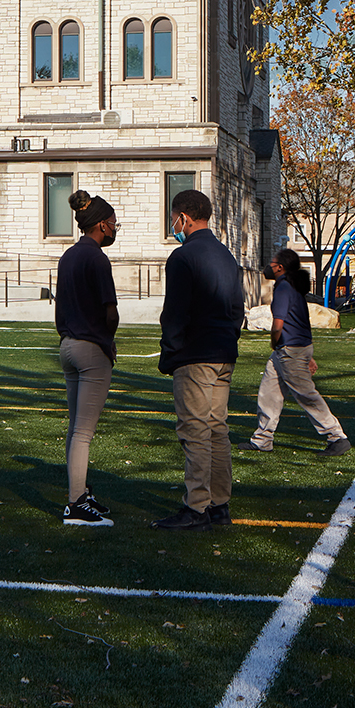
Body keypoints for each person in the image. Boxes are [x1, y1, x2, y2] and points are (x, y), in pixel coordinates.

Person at [153, 188, 244, 529]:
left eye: (174, 218)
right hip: (223, 350)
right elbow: (238, 309)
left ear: (184, 218)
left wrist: (171, 351)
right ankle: (219, 504)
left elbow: (174, 313)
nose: (172, 224)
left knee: (194, 430)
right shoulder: (225, 254)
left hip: (195, 354)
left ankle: (196, 507)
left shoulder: (182, 257)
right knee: (217, 428)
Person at [54, 190, 120, 525]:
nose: (114, 227)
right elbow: (110, 312)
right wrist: (109, 340)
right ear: (102, 225)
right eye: (112, 222)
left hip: (67, 345)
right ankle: (76, 503)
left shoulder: (67, 256)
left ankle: (79, 492)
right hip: (91, 348)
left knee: (75, 428)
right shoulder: (97, 258)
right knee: (83, 432)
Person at [245, 248, 350, 457]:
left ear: (280, 267)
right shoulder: (294, 288)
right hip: (293, 348)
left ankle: (336, 436)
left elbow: (278, 324)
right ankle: (263, 439)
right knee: (269, 390)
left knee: (306, 394)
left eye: (272, 263)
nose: (269, 266)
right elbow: (302, 323)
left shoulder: (284, 289)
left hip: (288, 350)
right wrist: (308, 354)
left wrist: (274, 343)